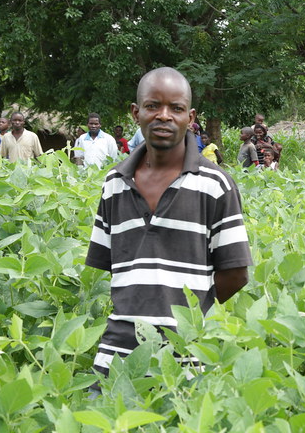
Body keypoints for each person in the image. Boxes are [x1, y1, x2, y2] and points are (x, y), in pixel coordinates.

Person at [85, 67, 251, 381]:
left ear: (190, 117)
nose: (164, 116)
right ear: (136, 113)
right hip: (115, 360)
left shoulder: (215, 184)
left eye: (175, 108)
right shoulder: (114, 183)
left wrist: (188, 316)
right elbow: (113, 267)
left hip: (185, 362)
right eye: (152, 106)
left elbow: (236, 273)